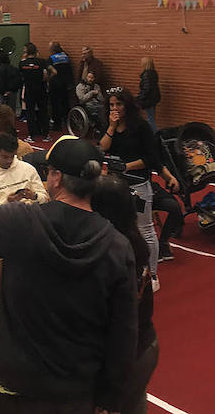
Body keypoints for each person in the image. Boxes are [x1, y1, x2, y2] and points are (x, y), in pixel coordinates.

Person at [0, 136, 136, 414]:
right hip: (77, 387)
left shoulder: (22, 222)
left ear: (57, 178)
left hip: (18, 384)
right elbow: (124, 333)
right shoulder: (118, 246)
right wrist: (108, 398)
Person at [99, 87, 178, 290]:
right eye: (112, 105)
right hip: (115, 186)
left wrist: (127, 166)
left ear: (127, 105)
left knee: (145, 229)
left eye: (119, 104)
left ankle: (152, 275)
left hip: (138, 184)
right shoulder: (110, 125)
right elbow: (103, 147)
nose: (115, 108)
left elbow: (151, 158)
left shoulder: (141, 127)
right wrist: (110, 126)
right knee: (115, 227)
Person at [90, 176, 158, 414]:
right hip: (144, 346)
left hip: (126, 355)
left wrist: (107, 392)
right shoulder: (133, 241)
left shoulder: (112, 253)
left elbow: (119, 328)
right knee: (135, 403)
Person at [0, 135, 48, 207]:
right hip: (5, 216)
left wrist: (34, 196)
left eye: (12, 156)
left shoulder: (28, 169)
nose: (9, 161)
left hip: (30, 213)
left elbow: (44, 198)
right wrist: (7, 202)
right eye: (5, 157)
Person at [137, 56, 160, 130]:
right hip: (153, 98)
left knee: (150, 119)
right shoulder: (153, 74)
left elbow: (146, 89)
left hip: (148, 99)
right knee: (151, 117)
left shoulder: (147, 75)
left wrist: (139, 97)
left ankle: (154, 135)